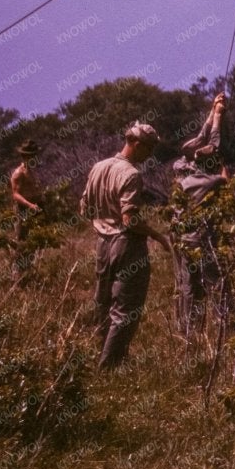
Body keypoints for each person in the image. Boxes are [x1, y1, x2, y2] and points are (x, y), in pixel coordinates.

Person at [79, 121, 170, 367]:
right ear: (137, 144)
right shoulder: (131, 174)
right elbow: (130, 219)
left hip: (102, 243)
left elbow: (84, 207)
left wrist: (103, 223)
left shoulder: (98, 167)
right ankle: (109, 368)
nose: (150, 154)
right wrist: (157, 235)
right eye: (148, 148)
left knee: (103, 303)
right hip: (126, 244)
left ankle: (103, 356)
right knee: (126, 309)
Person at [171, 94, 235, 346]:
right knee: (217, 282)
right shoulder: (211, 181)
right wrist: (218, 115)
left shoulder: (182, 177)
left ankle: (189, 329)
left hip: (184, 240)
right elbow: (215, 149)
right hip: (204, 241)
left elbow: (203, 142)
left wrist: (212, 111)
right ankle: (224, 325)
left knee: (188, 285)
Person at [9, 140, 43, 267]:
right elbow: (15, 194)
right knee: (21, 242)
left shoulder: (32, 171)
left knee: (33, 242)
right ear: (26, 156)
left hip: (34, 208)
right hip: (22, 209)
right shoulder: (19, 173)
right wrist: (30, 205)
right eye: (32, 155)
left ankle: (29, 271)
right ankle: (16, 275)